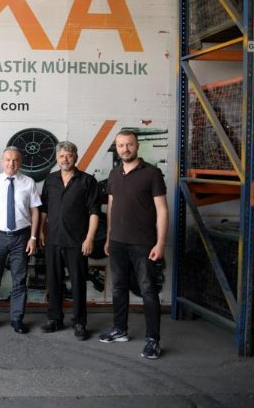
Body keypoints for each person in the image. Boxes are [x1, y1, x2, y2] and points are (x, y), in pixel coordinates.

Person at [101, 130, 168, 360]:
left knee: (148, 291)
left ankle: (153, 340)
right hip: (117, 242)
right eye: (121, 145)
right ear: (117, 148)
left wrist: (160, 243)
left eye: (129, 144)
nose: (125, 149)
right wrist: (109, 237)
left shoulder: (152, 173)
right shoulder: (114, 173)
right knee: (118, 288)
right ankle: (120, 329)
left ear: (137, 146)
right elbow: (111, 207)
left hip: (143, 244)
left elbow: (162, 210)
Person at [39, 141, 100, 340]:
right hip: (53, 239)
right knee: (54, 281)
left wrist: (89, 238)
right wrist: (40, 231)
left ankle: (79, 322)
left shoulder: (87, 181)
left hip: (77, 241)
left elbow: (94, 212)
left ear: (76, 157)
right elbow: (44, 209)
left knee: (78, 283)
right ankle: (54, 319)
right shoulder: (50, 180)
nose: (65, 159)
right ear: (56, 158)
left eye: (69, 155)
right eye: (61, 156)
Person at [0, 146, 41, 334]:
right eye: (8, 159)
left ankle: (17, 319)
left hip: (21, 238)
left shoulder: (29, 182)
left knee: (19, 281)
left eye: (15, 160)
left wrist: (33, 238)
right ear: (2, 161)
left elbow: (35, 211)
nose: (11, 163)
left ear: (20, 162)